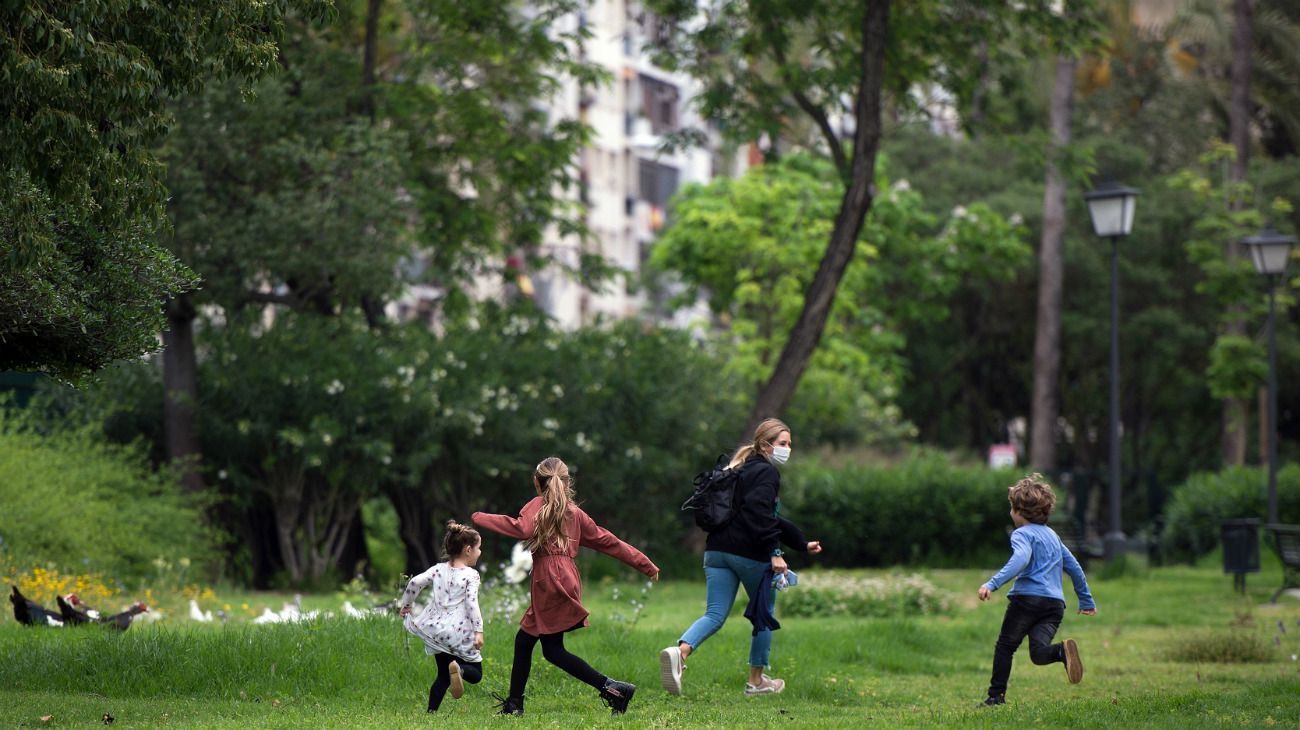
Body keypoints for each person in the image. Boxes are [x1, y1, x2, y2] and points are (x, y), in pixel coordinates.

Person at [472, 456, 660, 716]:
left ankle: (614, 689)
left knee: (552, 650)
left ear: (537, 482)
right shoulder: (575, 512)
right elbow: (609, 541)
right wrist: (645, 564)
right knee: (528, 643)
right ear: (566, 482)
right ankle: (515, 704)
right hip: (565, 577)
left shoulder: (537, 505)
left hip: (549, 580)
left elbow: (522, 528)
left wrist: (479, 517)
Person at [659, 417, 823, 697]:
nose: (787, 449)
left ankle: (680, 652)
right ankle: (757, 682)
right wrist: (775, 553)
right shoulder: (767, 473)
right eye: (783, 443)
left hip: (717, 552)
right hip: (749, 554)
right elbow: (760, 515)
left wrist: (801, 542)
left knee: (714, 614)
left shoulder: (738, 469)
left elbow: (767, 516)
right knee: (763, 616)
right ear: (765, 444)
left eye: (790, 444)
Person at [977, 473, 1097, 706]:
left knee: (1005, 646)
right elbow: (1073, 566)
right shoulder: (1053, 536)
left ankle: (995, 697)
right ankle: (1061, 652)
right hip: (1054, 605)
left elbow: (1020, 559)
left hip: (1027, 601)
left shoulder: (1022, 534)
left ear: (1019, 512)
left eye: (1012, 508)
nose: (1011, 513)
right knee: (1038, 653)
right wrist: (1086, 600)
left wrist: (992, 583)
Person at [398, 520, 486, 713]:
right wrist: (478, 631)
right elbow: (472, 603)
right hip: (459, 632)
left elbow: (415, 582)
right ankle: (460, 670)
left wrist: (406, 605)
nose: (480, 552)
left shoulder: (438, 569)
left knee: (444, 676)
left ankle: (431, 713)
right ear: (468, 550)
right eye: (479, 548)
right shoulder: (471, 575)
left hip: (436, 631)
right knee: (476, 673)